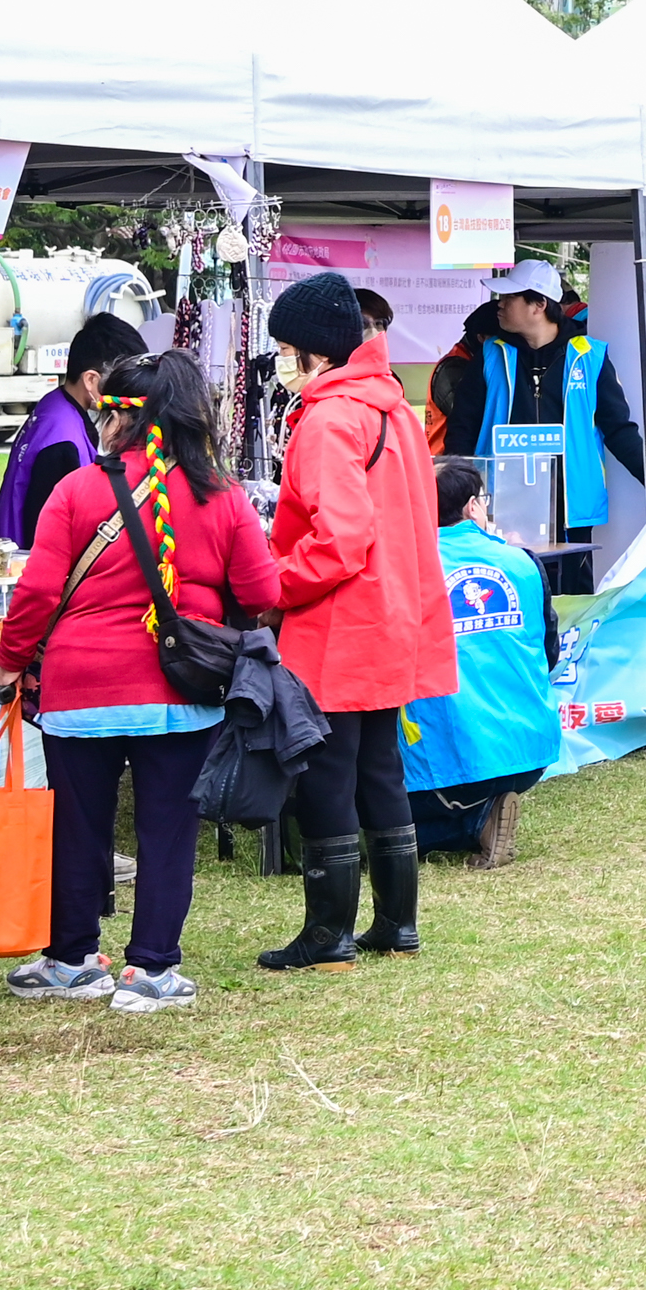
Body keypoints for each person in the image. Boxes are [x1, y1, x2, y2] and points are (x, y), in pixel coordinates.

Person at [0, 352, 277, 1014]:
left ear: (116, 417)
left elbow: (36, 590)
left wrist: (10, 661)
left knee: (78, 827)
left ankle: (71, 959)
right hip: (180, 693)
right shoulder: (223, 495)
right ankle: (149, 968)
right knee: (167, 831)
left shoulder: (78, 491)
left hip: (79, 687)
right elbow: (261, 592)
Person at [258, 270, 459, 967]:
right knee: (380, 769)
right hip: (397, 614)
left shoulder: (327, 418)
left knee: (325, 774)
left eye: (286, 347)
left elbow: (338, 539)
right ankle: (395, 924)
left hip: (338, 623)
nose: (282, 359)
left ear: (313, 350)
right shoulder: (393, 407)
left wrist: (273, 581)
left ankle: (328, 932)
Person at [426, 260, 646, 566]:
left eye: (508, 298)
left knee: (571, 599)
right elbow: (463, 429)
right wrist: (461, 492)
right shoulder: (491, 354)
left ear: (539, 304)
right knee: (510, 587)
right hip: (500, 501)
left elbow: (619, 428)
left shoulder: (590, 356)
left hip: (571, 505)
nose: (499, 306)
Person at [413, 459, 561, 866]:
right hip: (527, 752)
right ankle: (481, 816)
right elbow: (550, 654)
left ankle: (472, 823)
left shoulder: (408, 567)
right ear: (473, 508)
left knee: (385, 819)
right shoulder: (524, 562)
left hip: (438, 759)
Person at [0, 311, 153, 547]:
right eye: (122, 378)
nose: (129, 389)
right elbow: (48, 534)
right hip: (21, 565)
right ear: (92, 380)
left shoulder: (55, 406)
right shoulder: (63, 443)